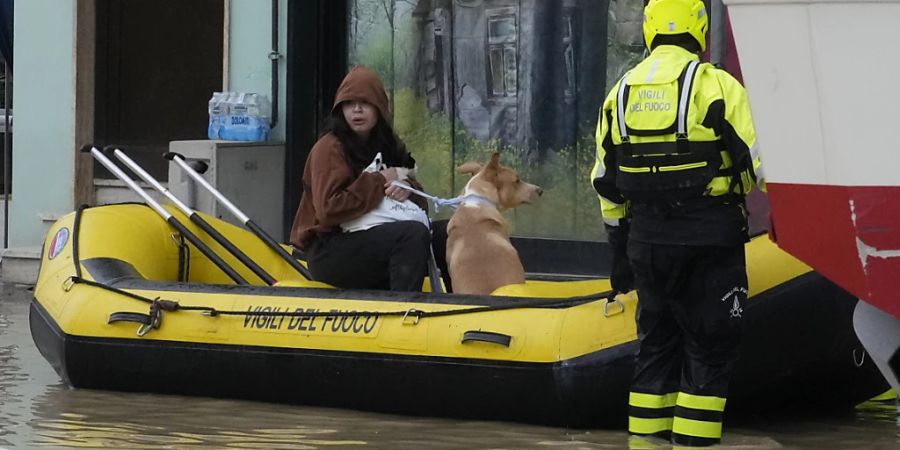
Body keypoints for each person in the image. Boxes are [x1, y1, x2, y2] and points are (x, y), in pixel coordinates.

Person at [591, 0, 764, 446]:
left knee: (655, 350)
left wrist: (619, 251)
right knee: (708, 354)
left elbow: (605, 182)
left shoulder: (621, 92)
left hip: (646, 245)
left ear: (650, 30)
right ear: (700, 30)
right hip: (710, 241)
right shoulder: (717, 86)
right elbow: (762, 164)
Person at [290, 66, 438, 292]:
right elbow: (329, 210)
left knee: (447, 233)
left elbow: (419, 205)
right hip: (330, 250)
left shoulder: (389, 145)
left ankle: (465, 304)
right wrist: (379, 181)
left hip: (375, 237)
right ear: (340, 110)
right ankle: (404, 312)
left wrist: (407, 188)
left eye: (365, 103)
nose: (357, 110)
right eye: (349, 104)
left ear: (379, 108)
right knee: (412, 236)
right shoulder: (329, 147)